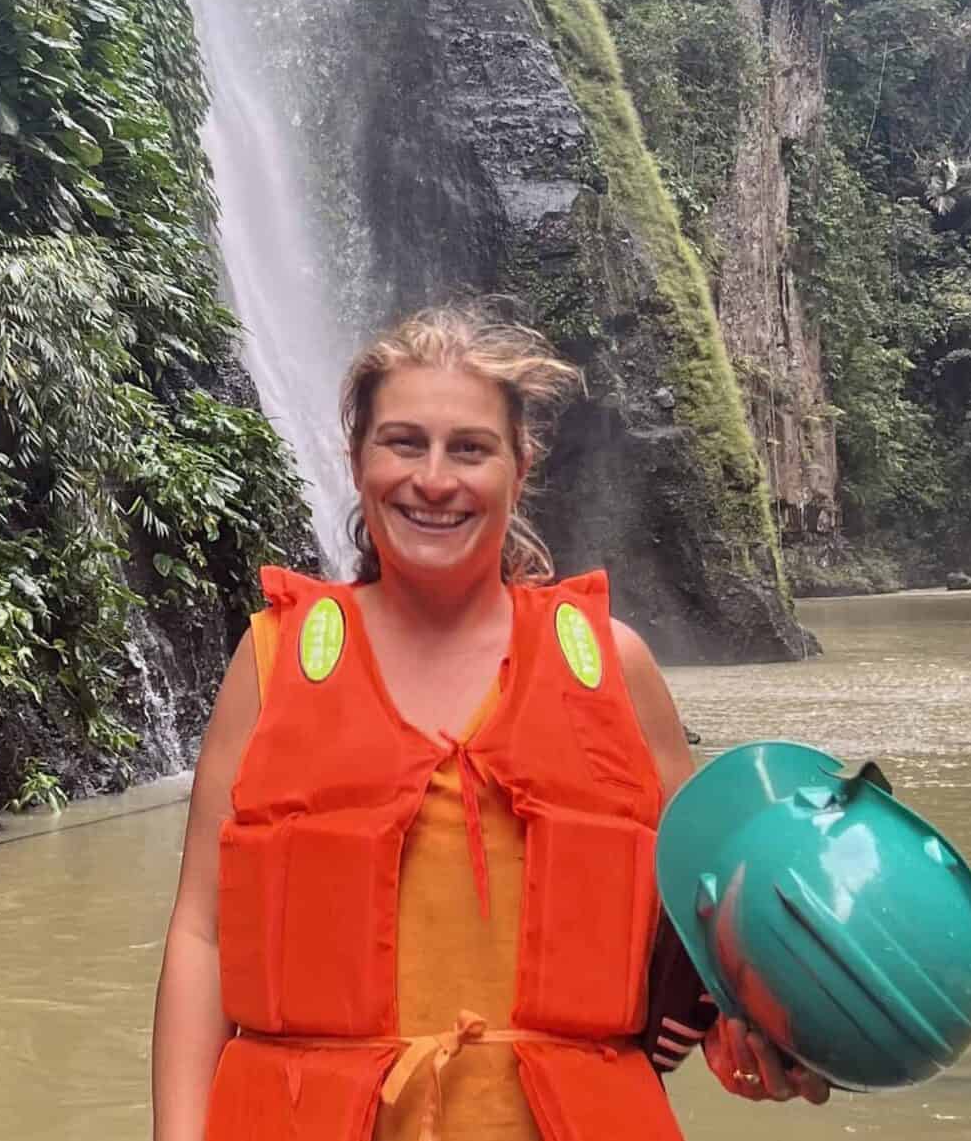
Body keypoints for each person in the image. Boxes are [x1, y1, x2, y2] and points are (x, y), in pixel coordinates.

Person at [150, 305, 829, 1139]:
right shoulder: (271, 664)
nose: (433, 479)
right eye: (403, 441)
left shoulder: (615, 668)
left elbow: (707, 934)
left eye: (469, 448)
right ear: (356, 459)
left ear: (520, 466)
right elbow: (202, 935)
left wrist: (776, 1031)